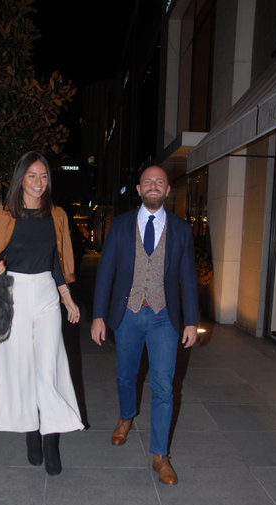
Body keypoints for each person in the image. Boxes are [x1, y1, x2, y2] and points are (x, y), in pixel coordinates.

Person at [91, 161, 198, 485]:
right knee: (126, 376)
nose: (153, 185)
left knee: (164, 386)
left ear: (168, 189)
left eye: (159, 181)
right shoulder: (120, 225)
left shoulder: (181, 229)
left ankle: (160, 455)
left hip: (165, 316)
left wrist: (191, 321)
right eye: (148, 181)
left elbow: (188, 277)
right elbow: (106, 272)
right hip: (128, 314)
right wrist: (98, 315)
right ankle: (126, 416)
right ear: (139, 189)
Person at [0, 151, 84, 475]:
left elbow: (56, 261)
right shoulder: (3, 216)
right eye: (32, 175)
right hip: (16, 294)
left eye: (44, 176)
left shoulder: (57, 215)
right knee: (21, 367)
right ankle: (31, 432)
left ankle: (51, 441)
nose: (39, 182)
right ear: (21, 178)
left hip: (47, 293)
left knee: (48, 369)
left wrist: (67, 297)